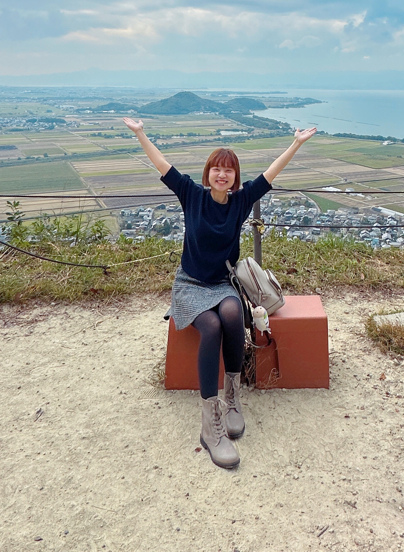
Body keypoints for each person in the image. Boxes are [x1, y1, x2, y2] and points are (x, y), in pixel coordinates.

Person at [123, 117, 316, 469]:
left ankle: (232, 397)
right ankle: (210, 424)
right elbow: (162, 165)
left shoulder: (240, 202)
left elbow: (270, 174)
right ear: (208, 173)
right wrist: (140, 134)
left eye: (229, 170)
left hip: (221, 284)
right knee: (210, 326)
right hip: (190, 284)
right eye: (217, 169)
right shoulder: (191, 196)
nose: (222, 175)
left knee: (230, 314)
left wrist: (296, 144)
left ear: (235, 178)